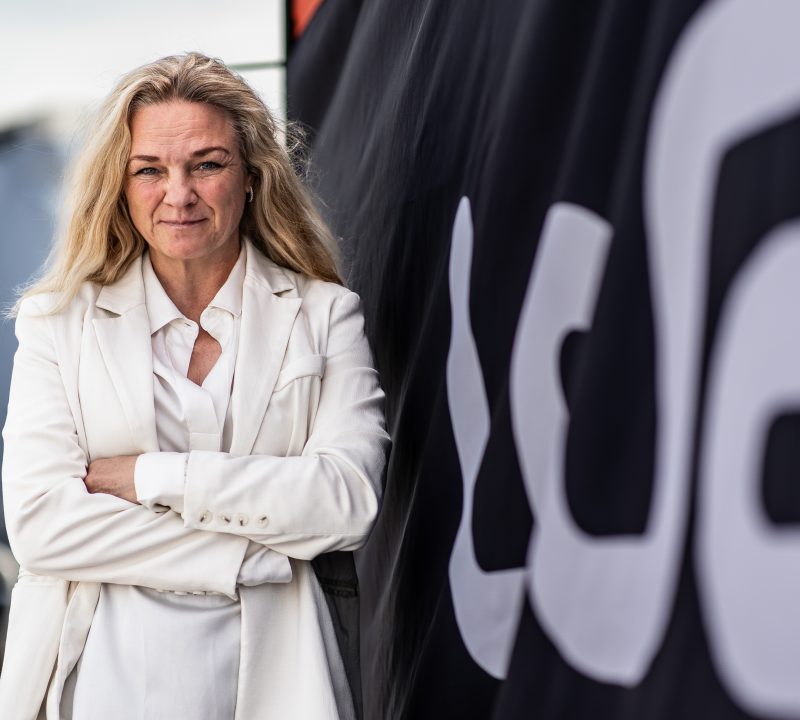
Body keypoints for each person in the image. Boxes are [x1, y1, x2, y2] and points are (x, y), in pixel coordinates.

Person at [0, 52, 389, 720]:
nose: (178, 194)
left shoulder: (324, 315)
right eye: (149, 169)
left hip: (280, 686)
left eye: (206, 165)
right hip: (105, 686)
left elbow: (348, 500)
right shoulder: (58, 323)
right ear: (120, 185)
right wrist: (251, 554)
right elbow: (41, 528)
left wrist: (151, 476)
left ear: (252, 176)